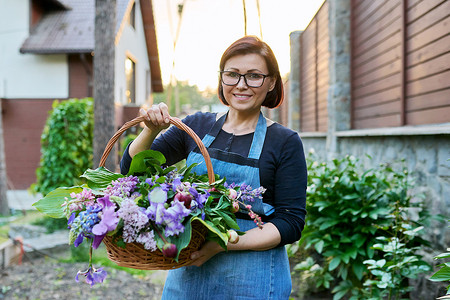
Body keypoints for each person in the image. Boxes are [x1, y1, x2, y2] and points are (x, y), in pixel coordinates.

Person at [120, 36, 307, 300]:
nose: (241, 85)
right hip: (190, 274)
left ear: (272, 81)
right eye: (232, 74)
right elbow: (131, 171)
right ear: (222, 78)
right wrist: (150, 131)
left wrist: (223, 243)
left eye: (254, 76)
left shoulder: (284, 142)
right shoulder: (196, 126)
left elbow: (290, 222)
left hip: (254, 278)